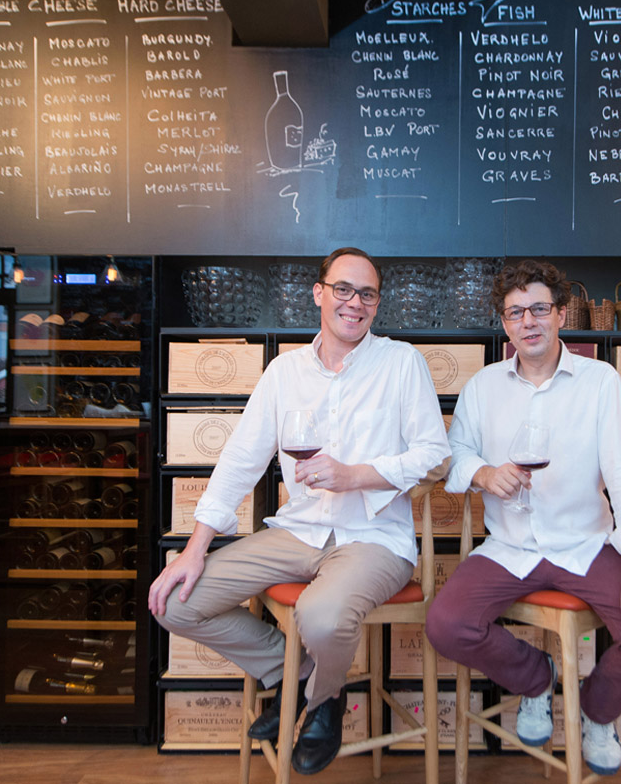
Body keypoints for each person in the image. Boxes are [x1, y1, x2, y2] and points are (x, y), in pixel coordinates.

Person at [149, 247, 450, 775]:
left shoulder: (402, 363)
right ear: (319, 293)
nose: (354, 303)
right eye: (343, 289)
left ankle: (322, 699)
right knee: (174, 602)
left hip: (374, 537)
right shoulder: (284, 372)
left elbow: (435, 455)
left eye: (367, 294)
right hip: (298, 532)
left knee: (321, 615)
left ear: (377, 304)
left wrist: (356, 474)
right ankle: (304, 679)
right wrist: (194, 549)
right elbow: (241, 460)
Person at [425, 259, 621, 776]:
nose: (529, 321)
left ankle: (597, 708)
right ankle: (536, 678)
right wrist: (483, 474)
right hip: (509, 547)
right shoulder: (483, 386)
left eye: (539, 308)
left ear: (561, 314)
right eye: (515, 312)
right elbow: (453, 455)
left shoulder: (599, 381)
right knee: (446, 624)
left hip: (585, 545)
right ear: (505, 323)